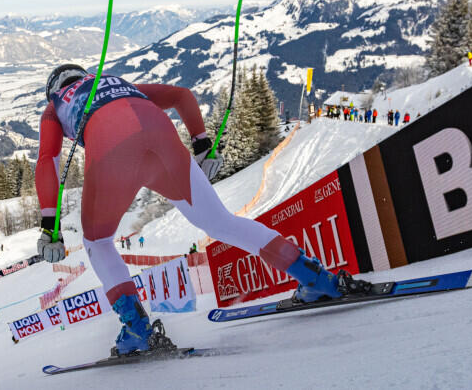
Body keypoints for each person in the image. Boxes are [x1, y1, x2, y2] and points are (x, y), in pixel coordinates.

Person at [35, 64, 367, 356]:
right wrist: (202, 145)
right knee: (221, 222)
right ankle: (314, 277)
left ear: (54, 88)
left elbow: (47, 161)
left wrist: (50, 225)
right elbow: (181, 95)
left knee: (99, 242)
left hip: (113, 153)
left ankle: (136, 327)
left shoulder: (55, 106)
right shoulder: (113, 81)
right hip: (163, 142)